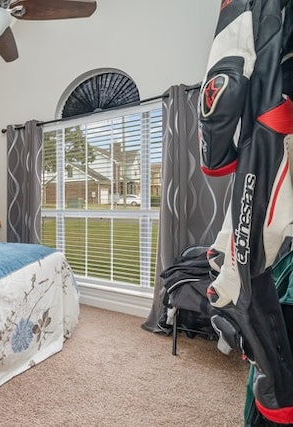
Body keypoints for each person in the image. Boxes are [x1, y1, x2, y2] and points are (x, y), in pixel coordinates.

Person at [198, 0, 293, 423]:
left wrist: (215, 156)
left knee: (251, 276)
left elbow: (222, 86)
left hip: (274, 141)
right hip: (277, 141)